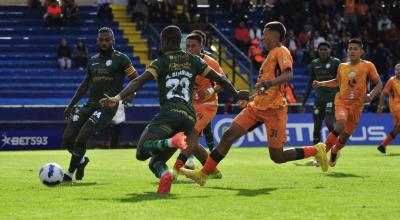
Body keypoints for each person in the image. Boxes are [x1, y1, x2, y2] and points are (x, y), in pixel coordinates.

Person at [100, 25, 249, 193]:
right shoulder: (194, 60)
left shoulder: (161, 61)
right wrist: (236, 94)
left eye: (161, 42)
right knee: (155, 163)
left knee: (141, 152)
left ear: (167, 41)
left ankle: (173, 141)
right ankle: (166, 175)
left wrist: (117, 98)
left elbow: (138, 81)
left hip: (170, 113)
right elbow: (220, 78)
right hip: (189, 116)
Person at [180, 21, 329, 186]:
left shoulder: (281, 51)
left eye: (265, 33)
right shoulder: (270, 55)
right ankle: (204, 174)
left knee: (277, 157)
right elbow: (265, 87)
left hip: (274, 109)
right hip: (257, 106)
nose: (262, 37)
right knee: (228, 136)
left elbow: (289, 76)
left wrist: (269, 83)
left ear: (275, 35)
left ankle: (316, 150)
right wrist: (250, 98)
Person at [61, 27, 138, 182]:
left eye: (107, 39)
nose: (104, 42)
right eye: (101, 40)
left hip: (107, 106)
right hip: (90, 104)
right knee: (67, 140)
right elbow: (85, 84)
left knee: (82, 136)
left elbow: (135, 79)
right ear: (97, 41)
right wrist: (70, 105)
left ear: (113, 41)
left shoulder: (122, 59)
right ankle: (81, 161)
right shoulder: (93, 60)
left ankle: (69, 174)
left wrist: (129, 95)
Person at [313, 39, 382, 167]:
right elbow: (337, 82)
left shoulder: (368, 65)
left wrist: (371, 95)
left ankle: (334, 152)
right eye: (350, 48)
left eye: (355, 48)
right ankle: (322, 154)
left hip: (357, 106)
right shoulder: (342, 66)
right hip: (341, 101)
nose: (352, 51)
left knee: (344, 137)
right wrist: (321, 83)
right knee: (339, 125)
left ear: (362, 52)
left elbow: (379, 84)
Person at [172, 31, 225, 178]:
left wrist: (209, 90)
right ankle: (213, 171)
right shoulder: (183, 61)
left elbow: (224, 83)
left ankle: (176, 169)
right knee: (191, 141)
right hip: (191, 105)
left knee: (191, 135)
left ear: (201, 46)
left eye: (193, 46)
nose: (189, 49)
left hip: (208, 104)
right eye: (187, 46)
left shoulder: (210, 62)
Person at [302, 42, 341, 144]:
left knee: (329, 123)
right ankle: (316, 154)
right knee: (316, 126)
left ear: (330, 50)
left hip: (331, 98)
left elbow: (341, 81)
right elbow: (310, 82)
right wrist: (304, 102)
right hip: (319, 100)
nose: (323, 51)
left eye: (325, 49)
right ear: (318, 51)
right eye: (321, 49)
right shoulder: (314, 64)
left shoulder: (336, 63)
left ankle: (335, 147)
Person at [376, 64, 400, 154]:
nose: (398, 71)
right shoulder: (392, 80)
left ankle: (383, 146)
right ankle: (383, 145)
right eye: (397, 69)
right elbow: (383, 93)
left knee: (397, 128)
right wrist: (380, 107)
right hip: (396, 107)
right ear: (394, 71)